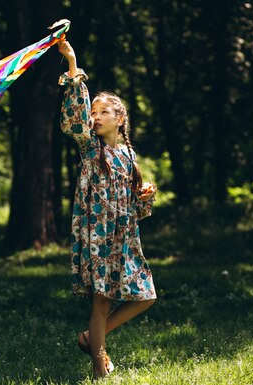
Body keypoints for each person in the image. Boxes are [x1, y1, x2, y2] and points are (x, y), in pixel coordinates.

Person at [58, 39, 158, 379]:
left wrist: (143, 195)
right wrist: (72, 65)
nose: (96, 117)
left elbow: (134, 207)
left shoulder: (128, 156)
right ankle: (99, 363)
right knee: (101, 300)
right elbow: (74, 119)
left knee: (145, 296)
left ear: (120, 118)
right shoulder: (90, 148)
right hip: (98, 236)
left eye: (103, 112)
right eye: (94, 112)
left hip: (124, 239)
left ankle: (92, 338)